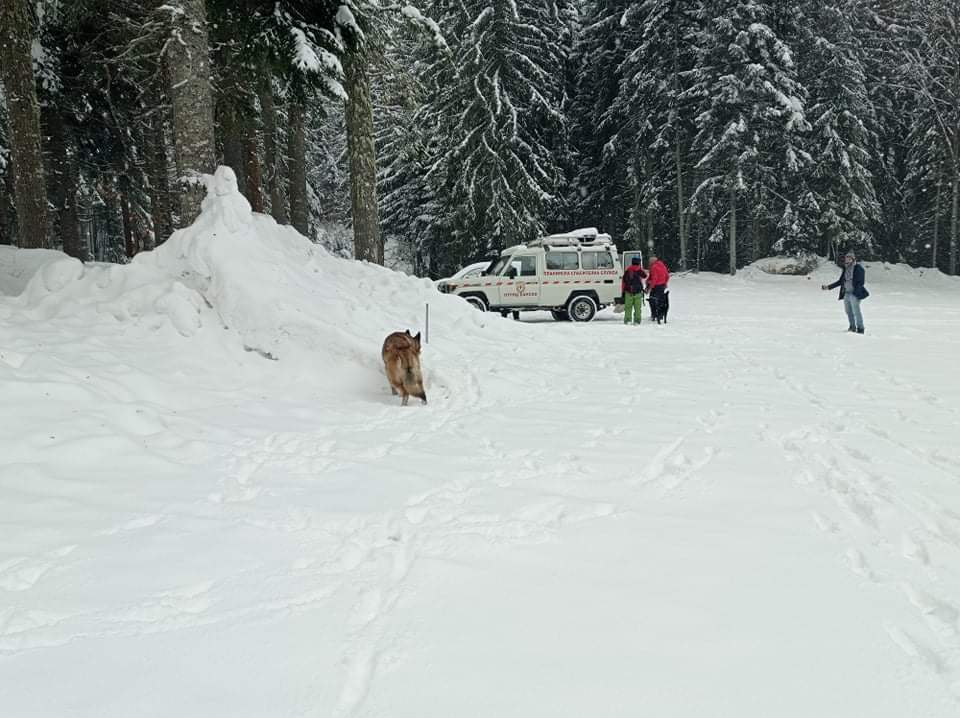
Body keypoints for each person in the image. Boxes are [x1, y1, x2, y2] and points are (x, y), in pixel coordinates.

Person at [821, 251, 869, 334]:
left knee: (856, 311)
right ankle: (852, 327)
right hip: (846, 293)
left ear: (853, 259)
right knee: (848, 311)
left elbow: (861, 282)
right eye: (847, 257)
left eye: (849, 258)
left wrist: (855, 293)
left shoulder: (858, 268)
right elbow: (840, 281)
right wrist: (828, 287)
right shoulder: (845, 268)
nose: (847, 259)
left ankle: (860, 328)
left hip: (854, 294)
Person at [621, 256, 647, 325]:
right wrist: (639, 269)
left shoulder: (627, 270)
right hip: (638, 292)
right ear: (639, 263)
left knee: (628, 308)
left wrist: (623, 292)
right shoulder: (639, 270)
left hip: (628, 292)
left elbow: (623, 282)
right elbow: (645, 276)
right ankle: (637, 321)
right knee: (638, 308)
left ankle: (627, 320)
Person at [646, 253, 670, 324]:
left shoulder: (654, 267)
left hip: (656, 287)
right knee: (661, 302)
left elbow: (655, 279)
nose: (649, 264)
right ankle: (661, 315)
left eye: (650, 262)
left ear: (652, 262)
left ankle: (654, 315)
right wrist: (665, 283)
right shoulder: (662, 265)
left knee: (652, 301)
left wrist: (650, 287)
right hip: (662, 287)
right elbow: (667, 276)